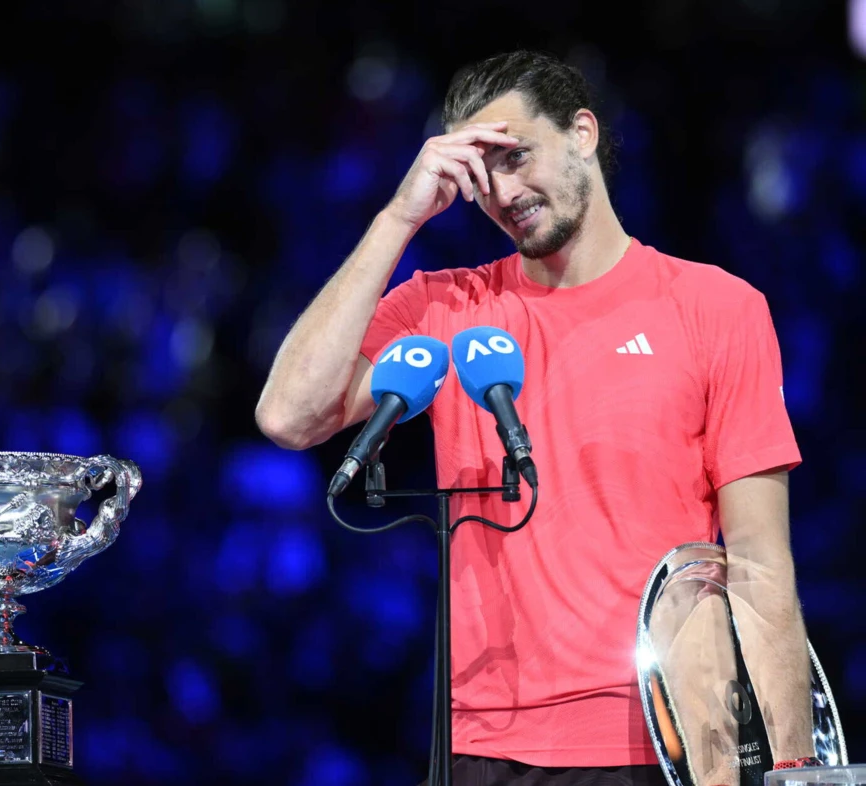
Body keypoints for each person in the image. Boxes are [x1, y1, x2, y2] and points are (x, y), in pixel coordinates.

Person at [255, 49, 816, 785]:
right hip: (482, 750)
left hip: (667, 743)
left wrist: (797, 766)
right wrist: (399, 216)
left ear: (582, 132)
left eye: (518, 157)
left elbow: (758, 561)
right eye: (484, 178)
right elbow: (290, 415)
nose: (504, 193)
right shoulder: (447, 310)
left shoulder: (718, 309)